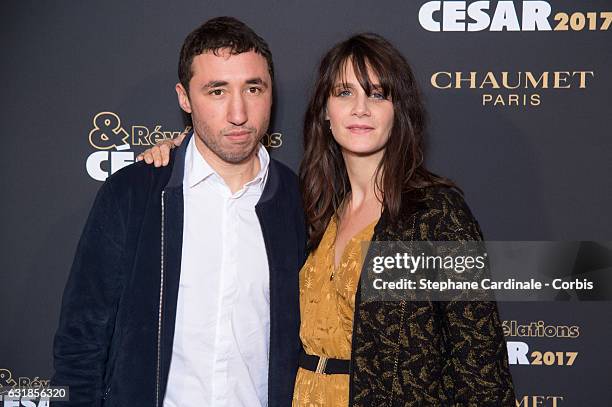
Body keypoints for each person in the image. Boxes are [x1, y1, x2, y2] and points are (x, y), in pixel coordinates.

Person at [141, 33, 515, 405]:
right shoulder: (313, 208)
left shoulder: (435, 216)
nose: (361, 109)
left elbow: (483, 373)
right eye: (344, 93)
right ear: (325, 109)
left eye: (378, 94)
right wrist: (182, 151)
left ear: (398, 110)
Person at [52, 17, 305, 407]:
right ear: (184, 98)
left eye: (253, 88)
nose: (238, 113)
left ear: (271, 92)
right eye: (216, 91)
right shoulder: (135, 193)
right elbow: (80, 342)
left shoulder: (299, 201)